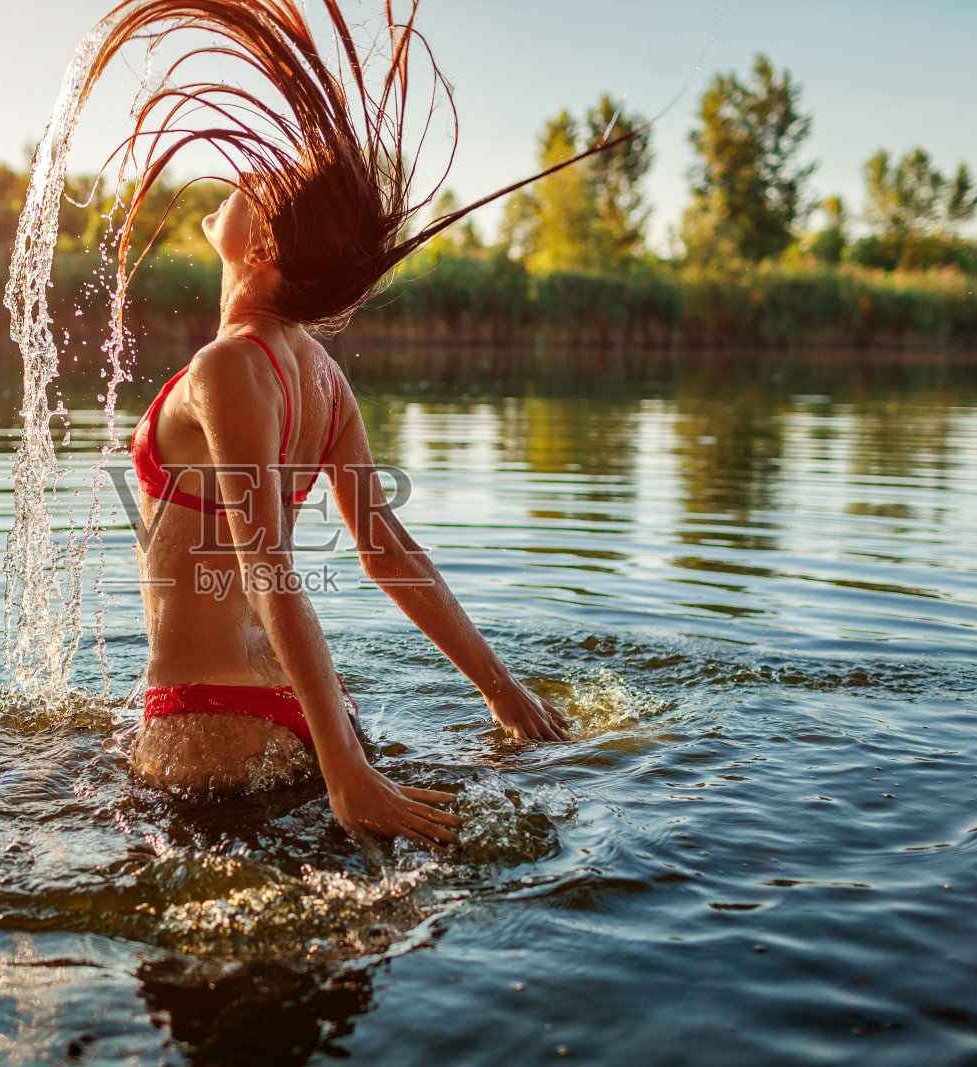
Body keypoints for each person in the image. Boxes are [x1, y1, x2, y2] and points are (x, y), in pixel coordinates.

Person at [81, 0, 632, 846]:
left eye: (250, 189)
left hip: (213, 725)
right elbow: (386, 553)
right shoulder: (322, 379)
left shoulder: (229, 367)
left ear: (260, 251)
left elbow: (268, 569)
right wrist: (500, 692)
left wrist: (345, 770)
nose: (237, 182)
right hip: (302, 713)